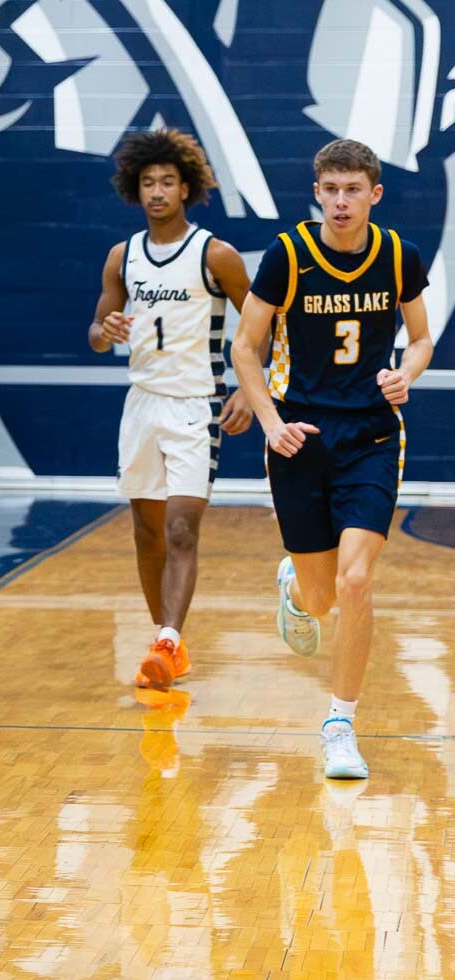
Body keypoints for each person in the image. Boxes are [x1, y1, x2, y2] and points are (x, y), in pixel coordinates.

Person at [230, 138, 432, 781]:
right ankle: (294, 587)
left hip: (372, 436)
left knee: (356, 582)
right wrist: (271, 423)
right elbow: (245, 347)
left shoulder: (398, 256)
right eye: (331, 190)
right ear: (317, 193)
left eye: (353, 190)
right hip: (301, 435)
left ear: (375, 194)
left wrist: (406, 373)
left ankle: (340, 725)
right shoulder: (287, 255)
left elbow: (421, 338)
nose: (341, 201)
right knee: (320, 599)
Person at [88, 128, 253, 691]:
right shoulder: (123, 256)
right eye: (147, 182)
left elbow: (262, 324)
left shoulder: (216, 254)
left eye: (167, 181)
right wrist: (106, 330)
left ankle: (168, 641)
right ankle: (167, 639)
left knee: (182, 528)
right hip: (141, 404)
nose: (157, 191)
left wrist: (249, 390)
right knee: (147, 531)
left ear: (186, 188)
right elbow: (96, 333)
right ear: (135, 190)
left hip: (195, 405)